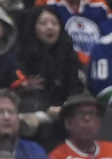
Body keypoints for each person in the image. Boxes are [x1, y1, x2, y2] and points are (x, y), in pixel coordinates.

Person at [11, 7, 85, 151]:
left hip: (61, 114)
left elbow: (77, 88)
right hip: (31, 115)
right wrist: (22, 88)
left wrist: (66, 106)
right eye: (43, 23)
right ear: (33, 27)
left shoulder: (69, 55)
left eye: (54, 23)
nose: (50, 27)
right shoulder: (19, 55)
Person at [37, 0, 112, 64]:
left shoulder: (100, 6)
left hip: (94, 65)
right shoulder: (47, 3)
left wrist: (92, 60)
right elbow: (34, 39)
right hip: (59, 64)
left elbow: (111, 39)